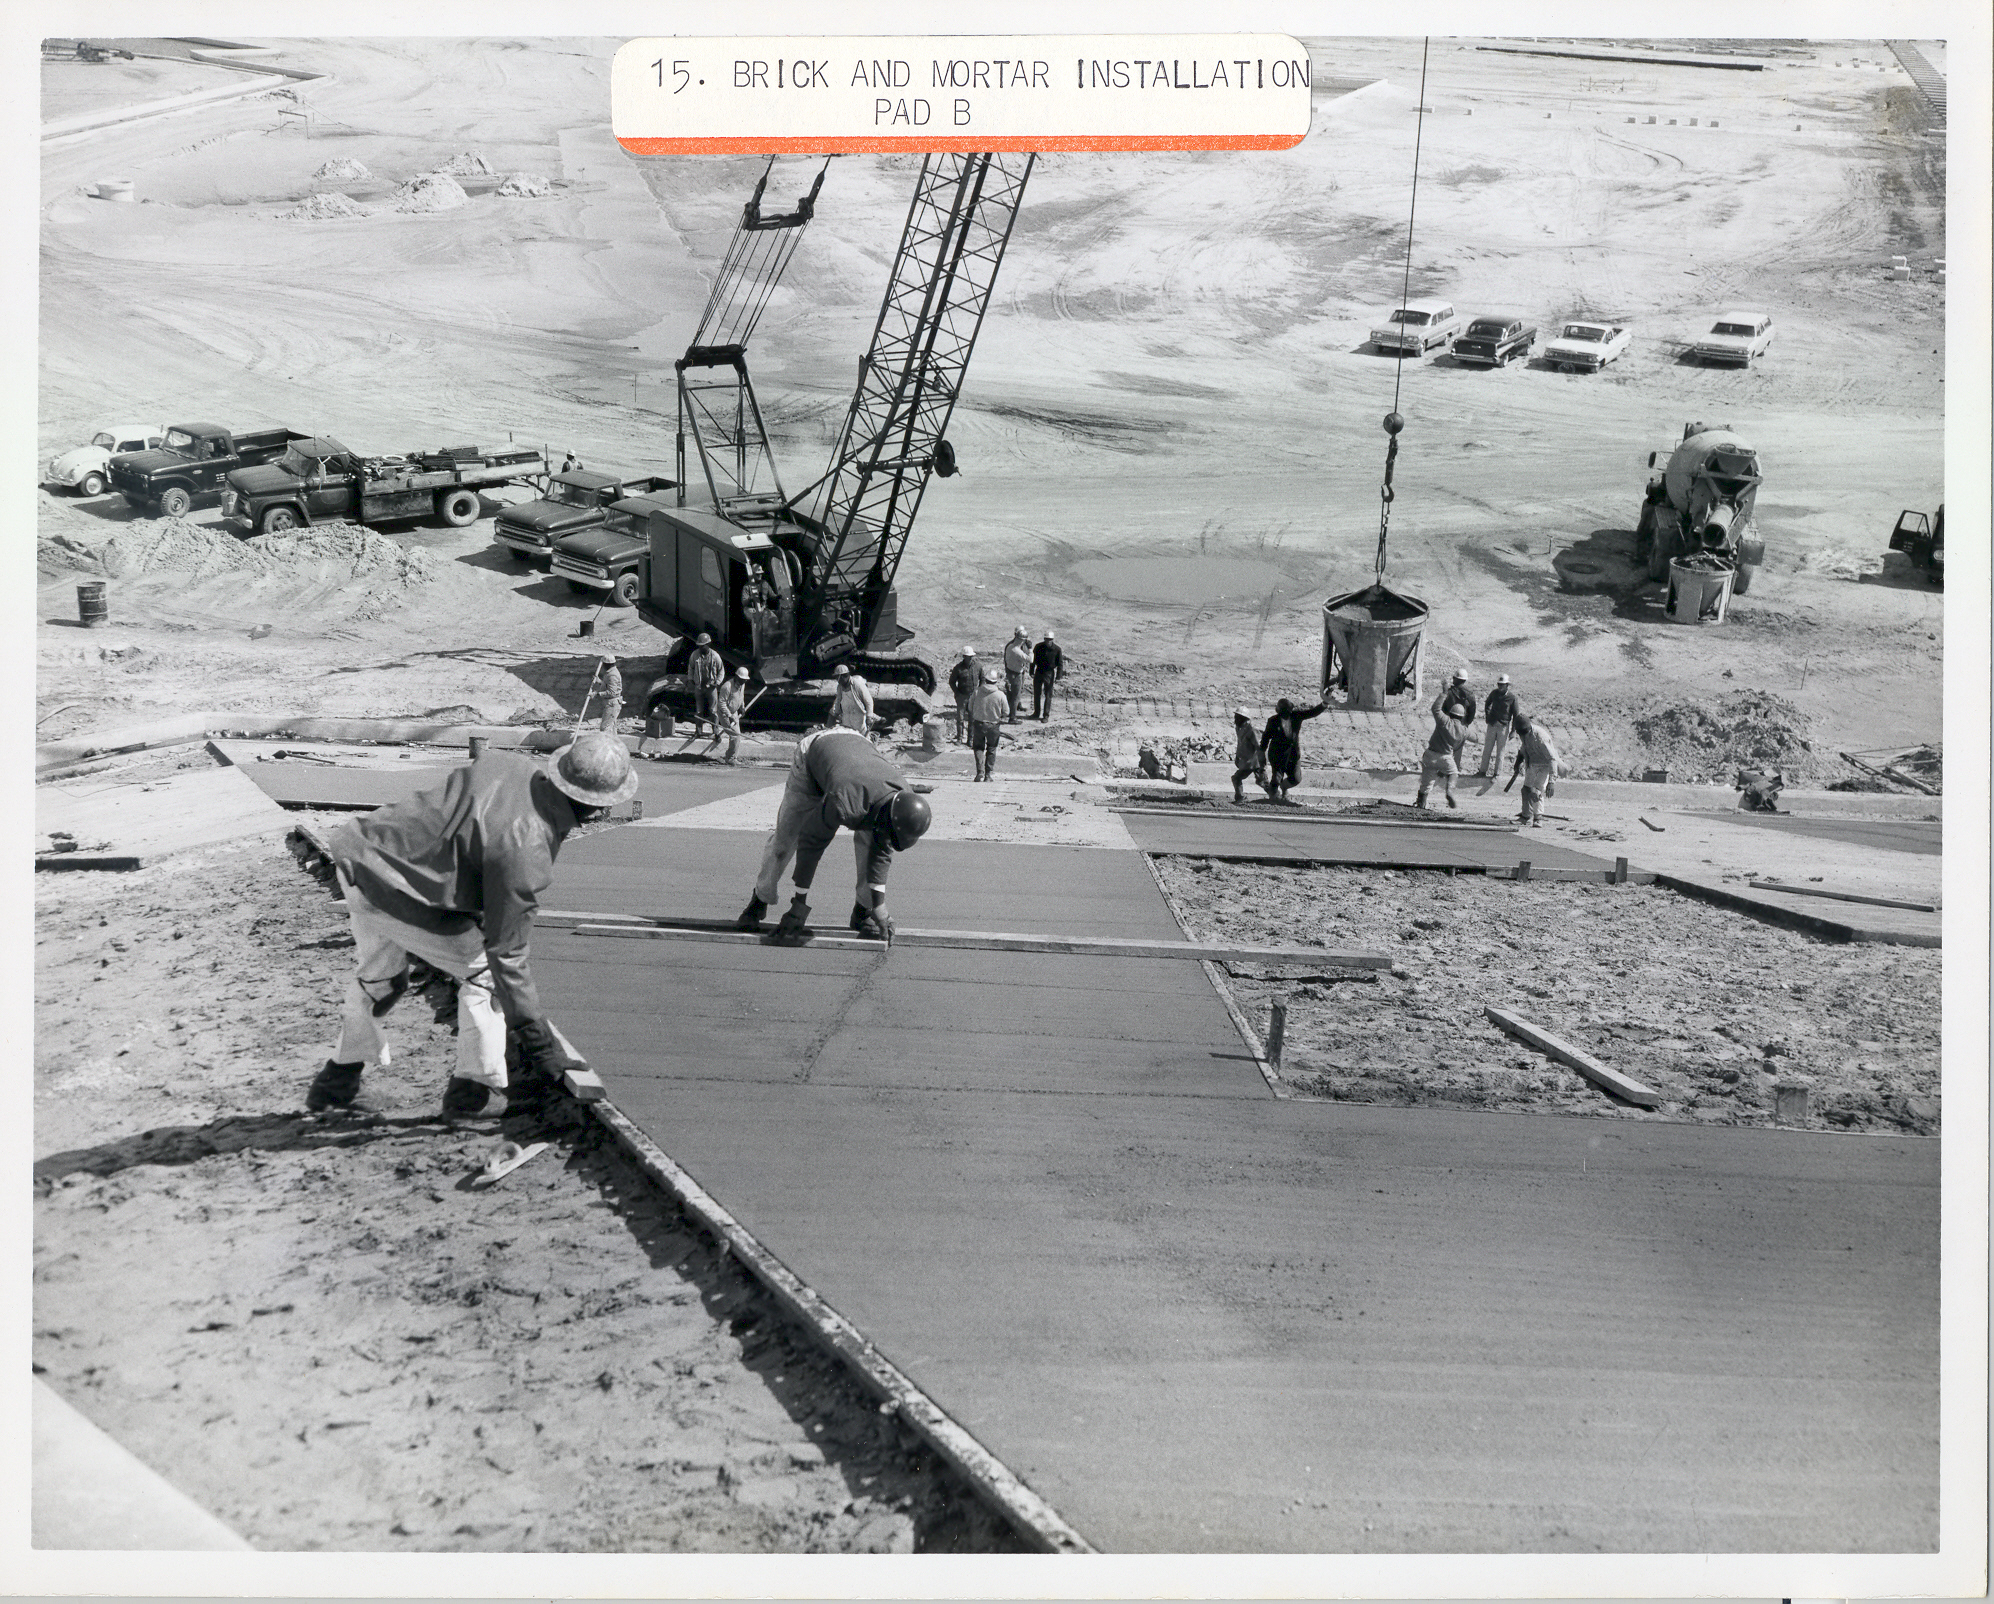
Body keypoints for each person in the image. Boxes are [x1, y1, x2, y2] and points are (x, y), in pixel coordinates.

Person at [306, 733, 638, 1117]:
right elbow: (507, 953)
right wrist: (540, 1043)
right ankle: (473, 1096)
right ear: (597, 807)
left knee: (380, 979)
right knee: (485, 975)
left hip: (360, 849)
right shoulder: (527, 851)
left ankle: (337, 1083)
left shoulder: (508, 764)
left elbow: (460, 831)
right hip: (394, 886)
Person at [736, 726, 933, 941]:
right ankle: (760, 899)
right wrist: (798, 907)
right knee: (785, 841)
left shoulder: (903, 801)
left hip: (853, 755)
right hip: (812, 758)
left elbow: (882, 852)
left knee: (870, 843)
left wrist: (880, 905)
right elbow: (811, 844)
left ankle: (863, 910)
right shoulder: (845, 803)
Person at [1259, 697, 1326, 802]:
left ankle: (1284, 787)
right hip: (1277, 755)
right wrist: (1261, 752)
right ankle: (1273, 800)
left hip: (1293, 755)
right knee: (1276, 779)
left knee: (1296, 779)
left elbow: (1312, 712)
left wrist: (1324, 704)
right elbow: (1266, 737)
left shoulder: (1296, 716)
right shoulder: (1273, 721)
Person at [1508, 713, 1563, 827]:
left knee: (1536, 791)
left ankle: (1538, 818)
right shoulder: (1524, 733)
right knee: (1526, 790)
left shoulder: (1541, 737)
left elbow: (1552, 759)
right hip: (1532, 763)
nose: (1519, 734)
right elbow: (1523, 749)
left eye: (1521, 732)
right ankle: (1525, 817)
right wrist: (1518, 762)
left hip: (1545, 765)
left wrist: (1552, 782)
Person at [1415, 705, 1467, 810]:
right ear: (1462, 717)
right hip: (1445, 757)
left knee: (1426, 783)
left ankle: (1421, 803)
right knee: (1453, 773)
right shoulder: (1463, 730)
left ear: (1450, 714)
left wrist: (1443, 694)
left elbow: (1435, 708)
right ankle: (1449, 791)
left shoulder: (1443, 721)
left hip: (1429, 755)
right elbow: (1467, 740)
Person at [967, 664, 1009, 781]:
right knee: (991, 749)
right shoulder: (1000, 695)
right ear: (995, 681)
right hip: (993, 725)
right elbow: (1006, 712)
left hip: (978, 724)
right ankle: (988, 775)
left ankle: (979, 772)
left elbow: (969, 708)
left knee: (978, 748)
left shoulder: (977, 692)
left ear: (985, 679)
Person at [1477, 673, 1519, 778]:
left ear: (1507, 685)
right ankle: (1482, 771)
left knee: (1500, 751)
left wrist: (1513, 731)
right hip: (1492, 725)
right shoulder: (1494, 693)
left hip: (1503, 727)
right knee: (1487, 748)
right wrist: (1488, 717)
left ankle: (1497, 774)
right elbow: (1487, 704)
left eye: (1502, 684)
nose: (1500, 686)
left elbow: (1516, 715)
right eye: (1499, 684)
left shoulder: (1512, 698)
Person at [1433, 671, 1476, 766]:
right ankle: (1454, 768)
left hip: (1447, 723)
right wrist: (1466, 724)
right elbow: (1472, 711)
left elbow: (1442, 708)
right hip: (1462, 724)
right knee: (1458, 750)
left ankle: (1442, 769)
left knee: (1444, 747)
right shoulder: (1470, 694)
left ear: (1455, 679)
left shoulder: (1449, 692)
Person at [687, 632, 725, 734]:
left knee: (713, 711)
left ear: (708, 645)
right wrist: (691, 679)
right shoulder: (695, 655)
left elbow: (721, 671)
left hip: (711, 688)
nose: (700, 648)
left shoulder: (715, 656)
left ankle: (715, 731)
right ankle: (698, 731)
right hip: (699, 687)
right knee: (699, 711)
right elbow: (691, 668)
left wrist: (717, 682)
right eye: (699, 646)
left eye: (702, 646)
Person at [713, 665, 750, 764]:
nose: (744, 681)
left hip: (734, 712)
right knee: (735, 735)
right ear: (737, 677)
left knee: (737, 735)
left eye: (745, 680)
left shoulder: (742, 685)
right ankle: (730, 758)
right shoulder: (727, 686)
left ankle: (732, 757)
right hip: (724, 714)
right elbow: (721, 703)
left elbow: (741, 697)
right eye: (742, 679)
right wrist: (729, 716)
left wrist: (742, 707)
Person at [1229, 708, 1264, 803]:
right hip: (1247, 761)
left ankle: (1276, 798)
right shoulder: (1239, 728)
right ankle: (1240, 798)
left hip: (1255, 761)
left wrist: (1262, 763)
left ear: (1243, 718)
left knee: (1262, 782)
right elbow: (1240, 744)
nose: (1235, 720)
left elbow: (1259, 747)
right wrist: (1237, 757)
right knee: (1236, 778)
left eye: (1237, 717)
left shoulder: (1252, 730)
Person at [830, 663, 874, 735]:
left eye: (837, 677)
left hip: (858, 718)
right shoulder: (840, 687)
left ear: (843, 676)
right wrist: (835, 713)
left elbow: (868, 701)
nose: (837, 680)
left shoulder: (858, 684)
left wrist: (869, 717)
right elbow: (838, 700)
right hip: (846, 717)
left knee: (861, 737)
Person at [947, 647, 980, 743]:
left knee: (972, 719)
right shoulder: (958, 668)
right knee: (960, 719)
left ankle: (970, 739)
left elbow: (982, 679)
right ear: (964, 657)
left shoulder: (978, 666)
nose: (970, 659)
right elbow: (951, 682)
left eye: (971, 657)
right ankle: (960, 738)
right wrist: (957, 693)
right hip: (962, 696)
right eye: (968, 657)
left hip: (973, 697)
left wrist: (979, 691)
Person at [1030, 630, 1064, 722]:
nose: (1048, 641)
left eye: (1049, 639)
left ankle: (1046, 715)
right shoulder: (1038, 647)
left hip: (1049, 673)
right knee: (1037, 693)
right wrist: (1031, 671)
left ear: (1052, 640)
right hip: (1039, 671)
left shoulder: (1057, 649)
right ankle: (1036, 713)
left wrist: (1058, 676)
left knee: (1048, 694)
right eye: (1046, 639)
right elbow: (1032, 660)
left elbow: (1060, 663)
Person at [1002, 625, 1032, 723]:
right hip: (1015, 673)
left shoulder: (1011, 646)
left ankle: (1011, 711)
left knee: (1015, 694)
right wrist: (1031, 649)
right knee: (1015, 695)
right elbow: (1030, 659)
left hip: (1015, 671)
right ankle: (1012, 717)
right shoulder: (1016, 649)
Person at [596, 652, 623, 734]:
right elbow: (609, 686)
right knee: (611, 728)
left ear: (606, 664)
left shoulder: (612, 675)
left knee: (605, 728)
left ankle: (606, 746)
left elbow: (612, 692)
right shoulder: (610, 672)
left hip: (612, 704)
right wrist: (600, 682)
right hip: (611, 703)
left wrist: (597, 694)